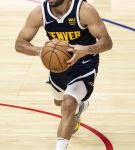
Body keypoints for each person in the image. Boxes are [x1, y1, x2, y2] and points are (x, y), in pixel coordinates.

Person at [15, 0, 113, 149]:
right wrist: (40, 51)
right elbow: (19, 44)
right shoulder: (39, 12)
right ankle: (79, 108)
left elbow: (107, 42)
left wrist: (86, 50)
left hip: (84, 64)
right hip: (58, 66)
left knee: (68, 104)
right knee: (59, 102)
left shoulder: (84, 10)